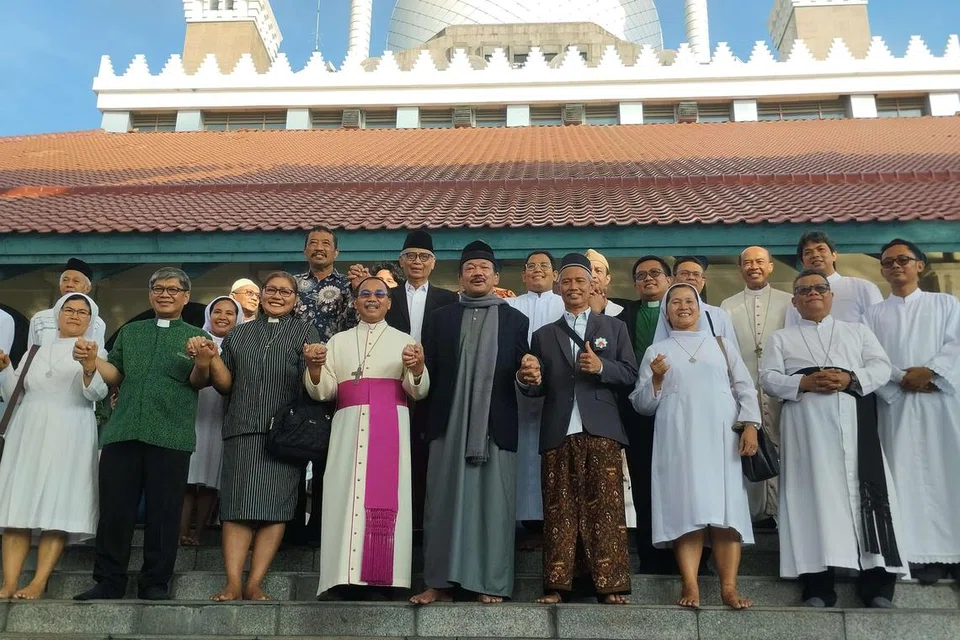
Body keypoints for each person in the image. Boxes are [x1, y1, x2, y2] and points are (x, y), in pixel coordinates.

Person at [760, 269, 906, 608]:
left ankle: (877, 585)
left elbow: (881, 367)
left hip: (856, 429)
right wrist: (803, 384)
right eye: (804, 290)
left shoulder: (857, 332)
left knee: (865, 497)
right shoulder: (781, 338)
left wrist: (850, 378)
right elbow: (767, 377)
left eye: (819, 288)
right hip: (807, 433)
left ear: (831, 296)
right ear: (794, 301)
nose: (812, 293)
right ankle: (817, 586)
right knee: (813, 500)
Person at [73, 268, 208, 601]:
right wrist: (92, 362)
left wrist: (204, 360)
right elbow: (116, 373)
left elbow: (198, 381)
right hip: (123, 432)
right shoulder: (131, 332)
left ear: (185, 296)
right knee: (115, 511)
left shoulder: (194, 337)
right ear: (150, 294)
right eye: (158, 288)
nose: (165, 294)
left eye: (173, 290)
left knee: (164, 513)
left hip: (171, 435)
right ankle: (108, 580)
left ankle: (155, 583)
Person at [410, 240, 529, 605]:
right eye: (470, 267)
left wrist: (530, 376)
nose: (477, 273)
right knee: (442, 503)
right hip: (449, 423)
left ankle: (488, 583)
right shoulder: (441, 317)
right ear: (460, 276)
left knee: (493, 506)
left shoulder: (515, 320)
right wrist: (416, 369)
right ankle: (439, 583)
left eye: (484, 268)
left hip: (494, 427)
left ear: (496, 276)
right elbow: (426, 375)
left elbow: (523, 376)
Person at [631, 282, 760, 610]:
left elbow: (745, 388)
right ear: (667, 310)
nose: (683, 307)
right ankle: (690, 584)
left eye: (690, 301)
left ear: (700, 307)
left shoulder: (722, 345)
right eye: (675, 302)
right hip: (678, 440)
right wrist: (656, 380)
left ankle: (728, 588)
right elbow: (642, 405)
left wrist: (751, 427)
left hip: (721, 439)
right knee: (685, 511)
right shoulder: (655, 351)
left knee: (726, 514)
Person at [518, 253, 636, 604]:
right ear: (558, 286)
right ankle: (557, 585)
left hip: (601, 427)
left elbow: (630, 374)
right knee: (559, 509)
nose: (573, 287)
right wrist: (529, 379)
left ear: (593, 285)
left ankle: (610, 585)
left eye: (580, 281)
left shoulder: (614, 328)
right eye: (566, 281)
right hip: (558, 428)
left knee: (606, 508)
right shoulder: (543, 335)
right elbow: (536, 385)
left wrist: (602, 366)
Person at [195, 272, 321, 601]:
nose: (277, 296)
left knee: (275, 509)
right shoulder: (239, 334)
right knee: (236, 508)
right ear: (261, 294)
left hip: (285, 435)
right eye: (271, 290)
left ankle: (255, 582)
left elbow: (315, 384)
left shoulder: (306, 332)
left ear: (296, 299)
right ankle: (233, 582)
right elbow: (225, 384)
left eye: (286, 292)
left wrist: (314, 364)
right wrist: (211, 361)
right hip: (242, 428)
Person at [305, 276, 429, 597]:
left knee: (386, 501)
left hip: (390, 425)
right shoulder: (338, 341)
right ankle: (341, 577)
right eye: (365, 294)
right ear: (355, 301)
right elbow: (325, 391)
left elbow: (418, 389)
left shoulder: (405, 340)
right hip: (347, 425)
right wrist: (314, 368)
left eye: (379, 294)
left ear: (389, 302)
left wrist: (417, 369)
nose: (372, 299)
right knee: (342, 497)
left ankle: (385, 579)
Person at [862, 239, 960, 585]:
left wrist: (932, 372)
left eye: (903, 260)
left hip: (941, 404)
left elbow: (956, 345)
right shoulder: (872, 314)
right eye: (888, 262)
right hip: (897, 407)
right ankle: (917, 555)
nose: (895, 266)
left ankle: (954, 553)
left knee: (949, 475)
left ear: (919, 265)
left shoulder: (946, 304)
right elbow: (871, 357)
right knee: (903, 478)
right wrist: (902, 379)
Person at [0, 293, 108, 600]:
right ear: (57, 314)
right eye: (69, 310)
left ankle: (38, 582)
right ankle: (9, 583)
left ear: (91, 320)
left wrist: (89, 365)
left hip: (69, 430)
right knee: (16, 505)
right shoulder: (34, 351)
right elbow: (15, 395)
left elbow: (96, 393)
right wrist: (5, 369)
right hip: (28, 430)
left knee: (57, 505)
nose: (74, 316)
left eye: (82, 312)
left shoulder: (95, 352)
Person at [611, 256, 678, 574]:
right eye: (641, 275)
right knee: (643, 481)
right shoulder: (624, 317)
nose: (649, 279)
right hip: (638, 412)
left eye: (656, 273)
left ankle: (690, 555)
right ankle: (650, 555)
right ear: (634, 283)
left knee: (681, 482)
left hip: (680, 412)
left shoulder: (684, 312)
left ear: (669, 278)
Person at [293, 226, 358, 546]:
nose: (319, 248)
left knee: (326, 456)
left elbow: (356, 324)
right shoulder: (292, 285)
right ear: (305, 250)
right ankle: (289, 525)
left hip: (333, 378)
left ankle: (321, 527)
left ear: (336, 253)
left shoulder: (349, 285)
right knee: (291, 450)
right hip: (291, 376)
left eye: (325, 244)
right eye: (313, 244)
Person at [720, 246, 793, 525]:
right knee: (751, 447)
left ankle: (782, 511)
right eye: (747, 263)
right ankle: (757, 513)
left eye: (759, 262)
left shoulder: (788, 301)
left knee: (783, 445)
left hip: (780, 387)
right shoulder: (728, 305)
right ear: (740, 269)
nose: (753, 267)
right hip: (745, 387)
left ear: (771, 266)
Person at [505, 250, 564, 539]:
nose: (537, 270)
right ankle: (521, 525)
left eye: (545, 266)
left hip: (556, 396)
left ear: (555, 274)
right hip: (514, 395)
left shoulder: (566, 304)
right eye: (531, 266)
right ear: (523, 274)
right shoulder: (508, 306)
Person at [179, 296, 242, 547]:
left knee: (209, 478)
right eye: (217, 311)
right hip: (194, 410)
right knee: (187, 477)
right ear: (209, 314)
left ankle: (198, 533)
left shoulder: (240, 344)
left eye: (229, 312)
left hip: (221, 414)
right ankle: (181, 531)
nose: (223, 316)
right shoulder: (194, 340)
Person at [785, 230, 882, 326]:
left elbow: (880, 325)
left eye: (821, 249)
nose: (815, 255)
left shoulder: (863, 288)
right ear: (803, 263)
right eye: (808, 252)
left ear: (834, 255)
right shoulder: (800, 297)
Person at [653, 257, 737, 346]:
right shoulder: (666, 311)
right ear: (673, 279)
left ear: (703, 281)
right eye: (685, 273)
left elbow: (731, 353)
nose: (691, 277)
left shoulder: (718, 314)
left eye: (696, 274)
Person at [27, 258, 107, 348]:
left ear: (87, 288)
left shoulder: (97, 323)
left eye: (76, 281)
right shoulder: (39, 319)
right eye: (65, 280)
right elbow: (32, 355)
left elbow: (97, 358)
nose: (69, 284)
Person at [584, 249, 623, 317]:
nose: (593, 275)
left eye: (598, 271)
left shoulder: (621, 312)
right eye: (589, 271)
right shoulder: (569, 309)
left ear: (607, 279)